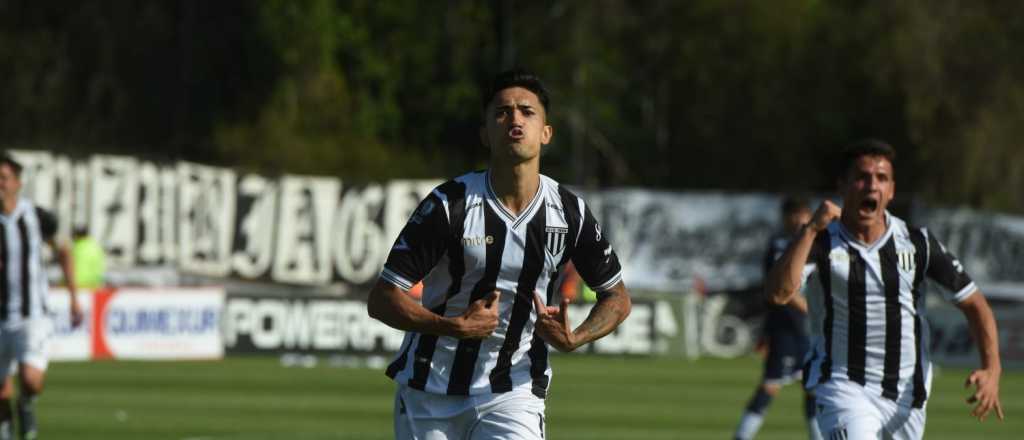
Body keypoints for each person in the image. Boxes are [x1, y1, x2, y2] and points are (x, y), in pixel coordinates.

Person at [367, 69, 632, 440]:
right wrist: (451, 326)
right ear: (485, 134)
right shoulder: (448, 206)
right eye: (502, 112)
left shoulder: (570, 213)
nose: (515, 120)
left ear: (546, 133)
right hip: (430, 390)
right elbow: (382, 299)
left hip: (514, 390)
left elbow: (617, 297)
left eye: (527, 111)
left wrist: (578, 337)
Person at [765, 140, 1003, 439]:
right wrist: (810, 229)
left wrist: (992, 369)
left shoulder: (919, 244)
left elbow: (976, 304)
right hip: (843, 386)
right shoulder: (821, 242)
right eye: (862, 177)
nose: (871, 186)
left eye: (881, 178)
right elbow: (778, 294)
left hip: (907, 396)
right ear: (843, 186)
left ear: (890, 190)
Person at [0, 154, 83, 440]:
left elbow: (63, 252)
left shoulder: (36, 217)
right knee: (0, 391)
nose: (0, 184)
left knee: (31, 380)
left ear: (18, 183)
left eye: (4, 178)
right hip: (0, 317)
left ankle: (26, 402)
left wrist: (74, 297)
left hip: (31, 314)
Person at [734, 196, 822, 440]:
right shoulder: (781, 245)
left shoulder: (817, 244)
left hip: (812, 332)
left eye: (803, 214)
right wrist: (808, 309)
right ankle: (741, 436)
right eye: (794, 215)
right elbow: (778, 289)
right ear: (785, 218)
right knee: (770, 386)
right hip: (787, 330)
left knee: (814, 391)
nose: (799, 220)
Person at [71, 226, 106, 290]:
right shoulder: (96, 247)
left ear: (75, 235)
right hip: (94, 286)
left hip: (77, 287)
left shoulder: (73, 249)